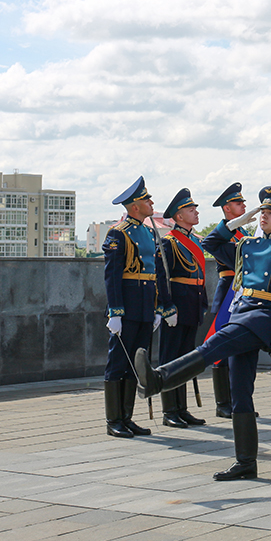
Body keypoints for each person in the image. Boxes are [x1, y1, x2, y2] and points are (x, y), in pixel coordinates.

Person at [136, 187, 271, 480]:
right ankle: (246, 462)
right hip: (242, 312)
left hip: (264, 317)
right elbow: (214, 242)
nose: (264, 216)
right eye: (262, 211)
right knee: (241, 392)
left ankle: (160, 378)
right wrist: (239, 222)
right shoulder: (248, 245)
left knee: (211, 347)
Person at [101, 177, 170, 438]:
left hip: (144, 306)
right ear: (134, 206)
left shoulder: (149, 232)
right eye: (146, 199)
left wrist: (155, 309)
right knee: (118, 362)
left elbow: (153, 274)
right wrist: (115, 312)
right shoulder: (118, 233)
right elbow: (113, 276)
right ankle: (113, 420)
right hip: (127, 306)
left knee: (136, 363)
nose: (151, 203)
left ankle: (127, 418)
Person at [157, 189, 209, 428]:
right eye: (191, 209)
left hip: (192, 305)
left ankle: (182, 408)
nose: (196, 212)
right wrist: (167, 307)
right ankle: (170, 411)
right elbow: (162, 277)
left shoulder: (195, 241)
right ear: (178, 217)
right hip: (177, 307)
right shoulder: (169, 242)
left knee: (186, 359)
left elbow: (200, 275)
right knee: (170, 359)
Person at [201, 182, 248, 418]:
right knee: (221, 348)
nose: (244, 206)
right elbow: (208, 243)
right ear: (227, 208)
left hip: (243, 293)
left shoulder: (245, 234)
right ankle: (222, 403)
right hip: (228, 290)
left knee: (238, 349)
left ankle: (237, 401)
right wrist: (234, 225)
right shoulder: (228, 232)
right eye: (239, 203)